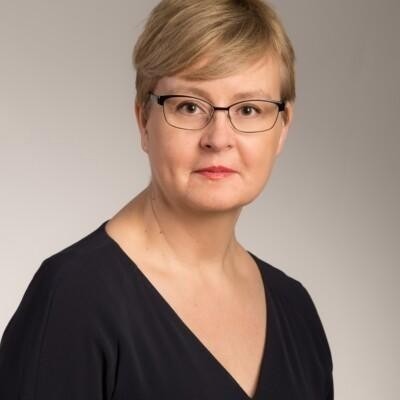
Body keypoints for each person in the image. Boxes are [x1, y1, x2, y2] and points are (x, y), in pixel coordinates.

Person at [0, 0, 333, 399]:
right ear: (144, 120)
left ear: (282, 127)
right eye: (189, 106)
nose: (219, 138)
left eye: (248, 109)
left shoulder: (295, 309)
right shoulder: (74, 296)